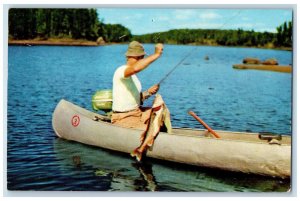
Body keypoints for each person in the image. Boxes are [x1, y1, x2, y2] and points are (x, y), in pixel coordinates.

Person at [111, 41, 163, 129]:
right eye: (137, 57)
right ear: (128, 57)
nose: (140, 60)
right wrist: (156, 54)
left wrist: (148, 92)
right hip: (123, 117)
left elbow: (134, 99)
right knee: (151, 130)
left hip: (137, 113)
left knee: (161, 112)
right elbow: (135, 69)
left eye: (142, 57)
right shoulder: (121, 71)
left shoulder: (133, 76)